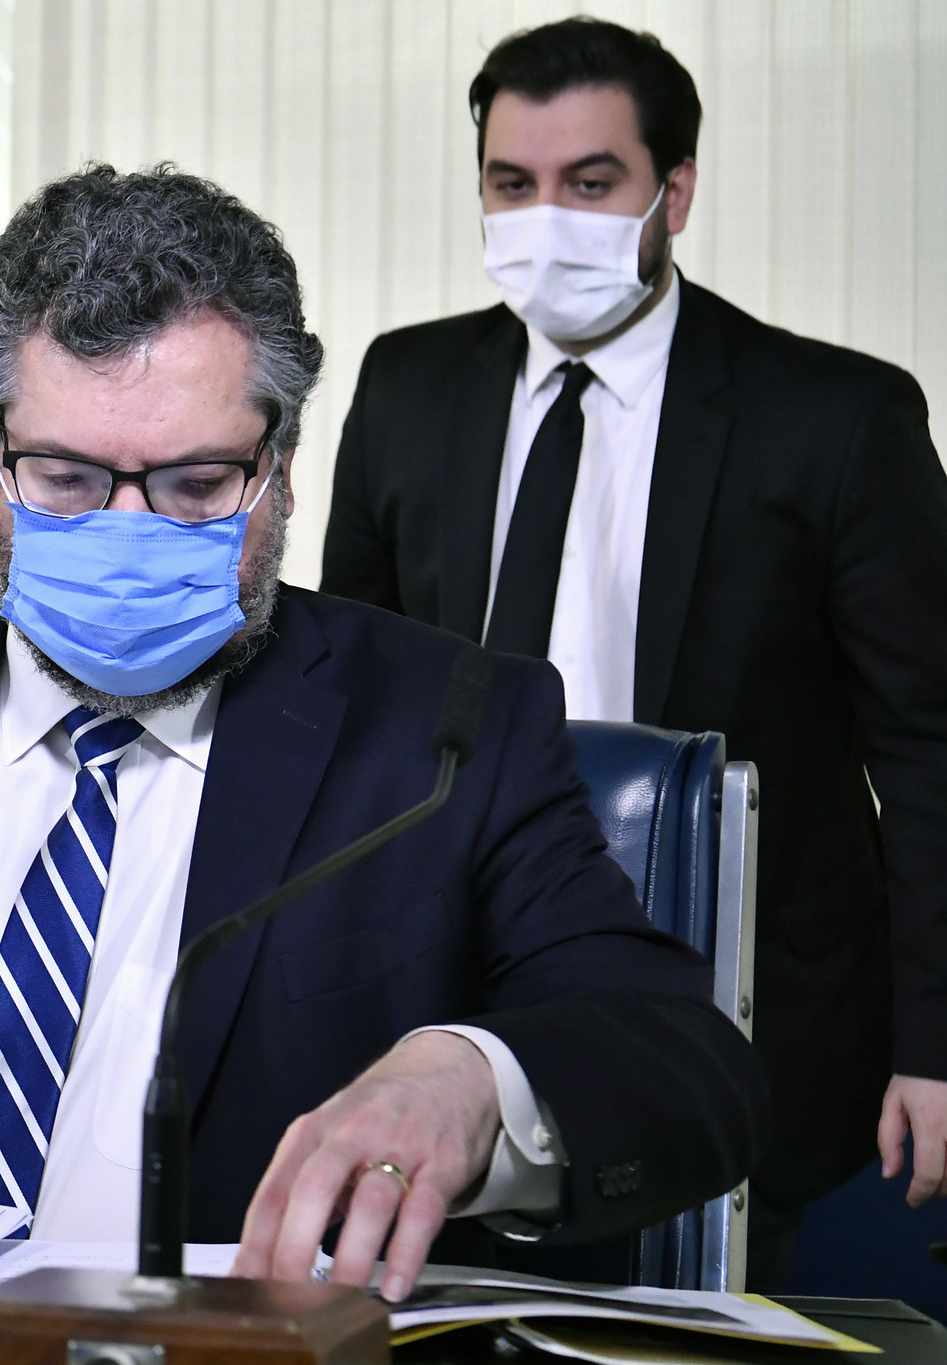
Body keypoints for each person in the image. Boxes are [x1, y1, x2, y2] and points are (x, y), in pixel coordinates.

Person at [0, 165, 767, 1300]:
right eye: (65, 479)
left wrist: (472, 1081)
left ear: (281, 469)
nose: (127, 526)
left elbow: (684, 1065)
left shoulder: (444, 731)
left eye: (195, 485)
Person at [320, 17, 947, 1290]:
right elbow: (350, 706)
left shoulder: (833, 416)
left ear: (675, 193)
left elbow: (928, 750)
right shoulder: (408, 385)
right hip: (455, 984)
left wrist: (936, 1041)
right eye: (512, 184)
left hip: (750, 1010)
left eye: (589, 183)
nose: (545, 217)